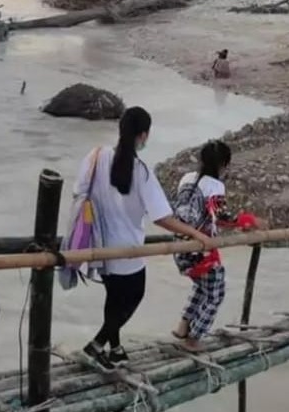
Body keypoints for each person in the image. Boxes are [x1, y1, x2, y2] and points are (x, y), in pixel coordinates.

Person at [74, 107, 212, 370]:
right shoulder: (141, 171)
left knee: (114, 298)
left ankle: (114, 350)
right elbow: (161, 217)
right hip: (128, 253)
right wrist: (195, 233)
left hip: (98, 246)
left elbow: (78, 192)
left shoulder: (96, 155)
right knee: (134, 295)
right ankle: (95, 346)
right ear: (144, 135)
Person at [169, 141, 263, 352]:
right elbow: (222, 218)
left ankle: (183, 326)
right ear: (223, 165)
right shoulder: (214, 186)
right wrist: (249, 220)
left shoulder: (187, 179)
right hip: (199, 250)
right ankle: (194, 338)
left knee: (202, 287)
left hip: (179, 246)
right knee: (216, 293)